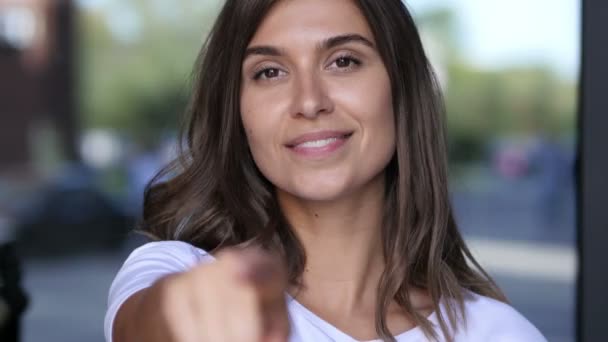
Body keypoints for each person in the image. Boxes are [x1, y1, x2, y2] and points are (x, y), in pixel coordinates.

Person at [105, 0, 547, 341]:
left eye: (343, 61)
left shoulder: (498, 332)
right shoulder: (174, 271)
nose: (309, 101)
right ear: (238, 112)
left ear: (401, 89)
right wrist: (184, 312)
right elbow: (147, 326)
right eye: (270, 71)